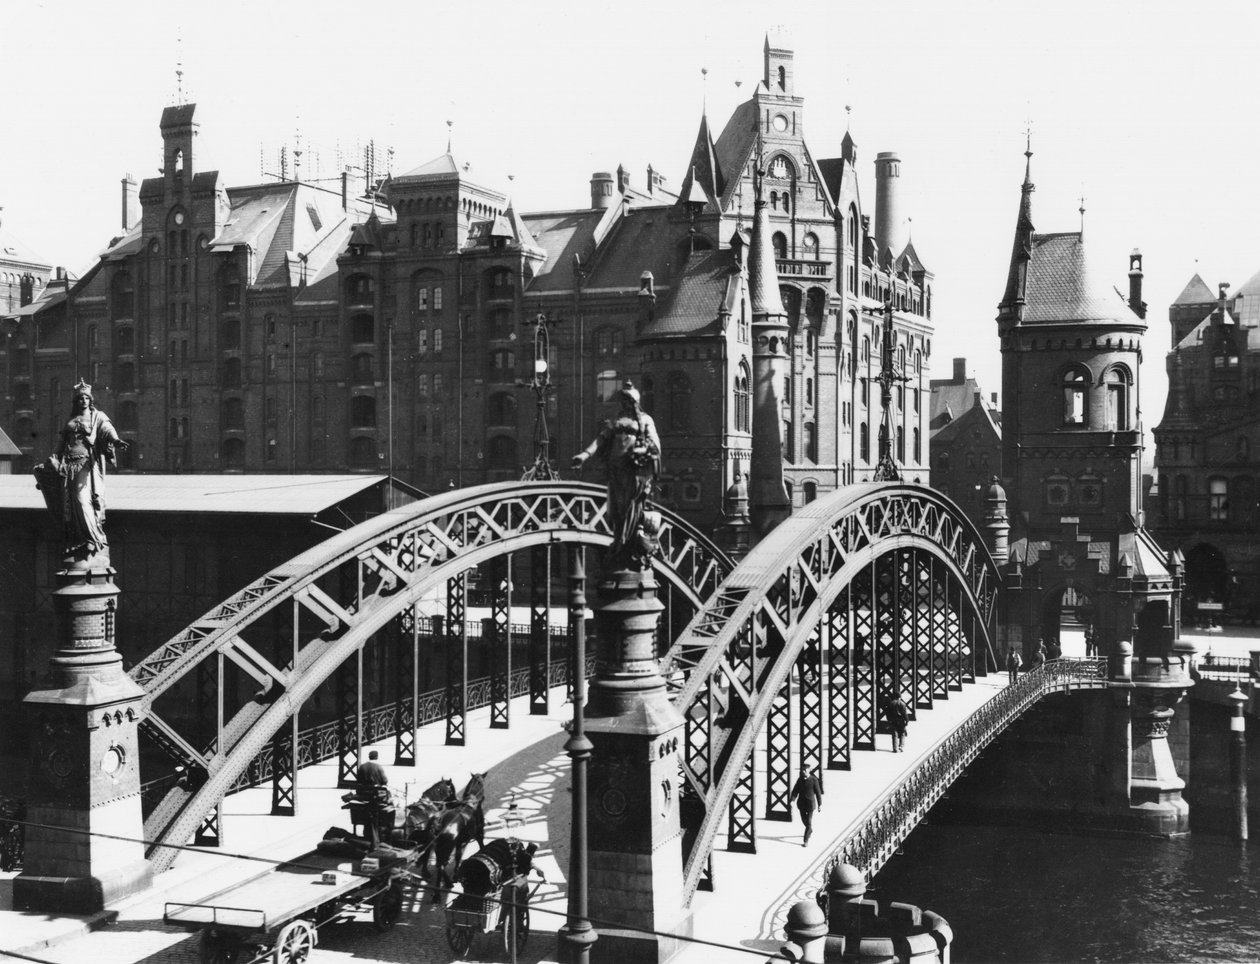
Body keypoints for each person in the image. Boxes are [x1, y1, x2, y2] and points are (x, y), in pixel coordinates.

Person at [33, 379, 129, 563]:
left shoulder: (97, 416)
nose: (83, 401)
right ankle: (78, 540)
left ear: (90, 400)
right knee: (69, 505)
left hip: (85, 465)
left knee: (81, 499)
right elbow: (61, 446)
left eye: (86, 398)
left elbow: (107, 429)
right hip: (67, 467)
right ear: (76, 401)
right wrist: (50, 462)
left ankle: (93, 538)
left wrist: (116, 441)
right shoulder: (70, 420)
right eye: (80, 398)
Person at [572, 381, 662, 570]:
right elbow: (601, 440)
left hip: (634, 472)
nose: (625, 405)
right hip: (616, 471)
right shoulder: (615, 422)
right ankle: (619, 544)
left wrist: (641, 450)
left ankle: (626, 546)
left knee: (631, 508)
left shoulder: (645, 420)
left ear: (635, 402)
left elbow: (654, 445)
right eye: (623, 401)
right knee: (617, 510)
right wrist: (584, 455)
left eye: (628, 401)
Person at [789, 767, 823, 846]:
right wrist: (792, 800)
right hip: (801, 804)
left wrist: (819, 805)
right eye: (802, 770)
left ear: (809, 771)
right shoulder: (800, 779)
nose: (803, 772)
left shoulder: (814, 780)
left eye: (805, 770)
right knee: (804, 820)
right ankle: (810, 830)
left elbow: (818, 793)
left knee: (808, 822)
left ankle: (805, 840)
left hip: (810, 804)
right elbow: (795, 790)